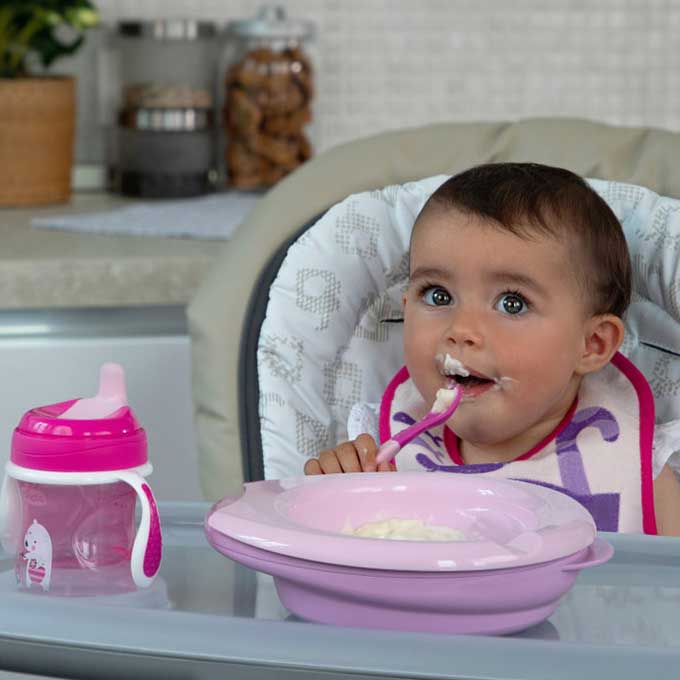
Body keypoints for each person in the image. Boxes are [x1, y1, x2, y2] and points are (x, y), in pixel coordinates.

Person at [303, 162, 680, 536]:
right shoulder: (380, 456)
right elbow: (333, 565)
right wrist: (336, 497)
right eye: (438, 295)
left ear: (592, 344)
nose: (461, 330)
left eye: (512, 303)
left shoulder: (634, 464)